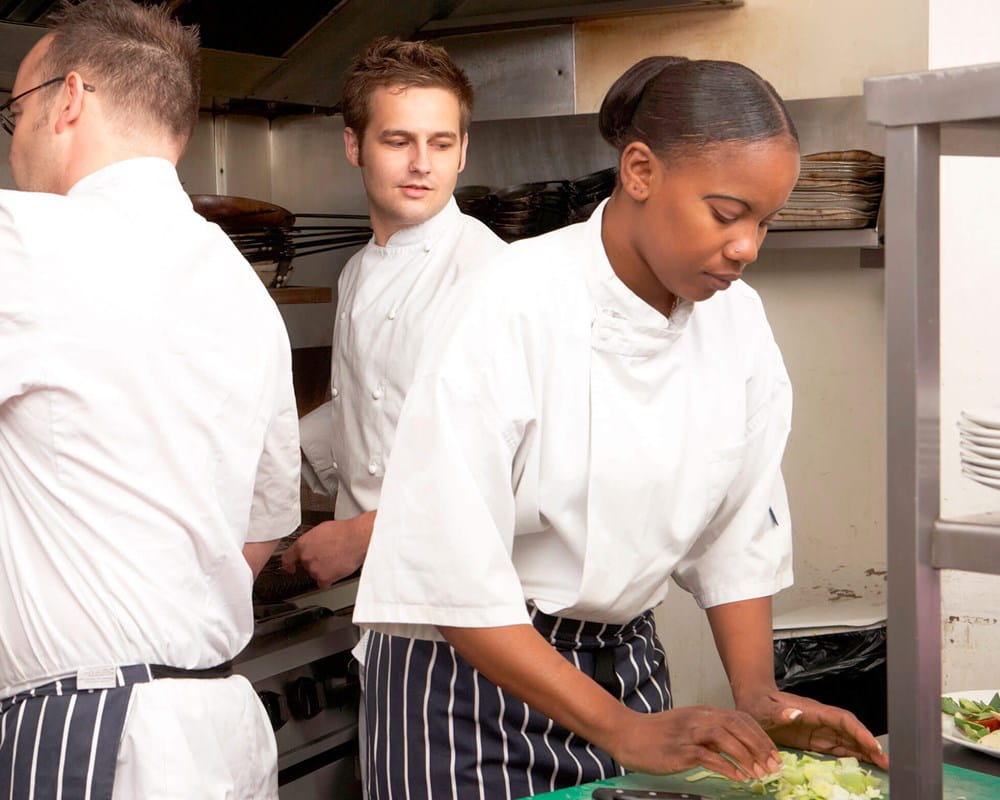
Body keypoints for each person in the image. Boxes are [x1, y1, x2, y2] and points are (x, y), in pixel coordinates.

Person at [352, 55, 890, 798]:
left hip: (627, 669)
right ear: (639, 170)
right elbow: (449, 574)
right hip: (467, 692)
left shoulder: (737, 323)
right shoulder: (509, 300)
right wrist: (619, 729)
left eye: (765, 222)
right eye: (727, 214)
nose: (747, 248)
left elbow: (737, 528)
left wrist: (761, 696)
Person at [0, 2, 299, 799]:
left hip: (95, 729)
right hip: (224, 725)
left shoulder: (24, 242)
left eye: (12, 113)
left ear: (67, 100)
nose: (15, 141)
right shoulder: (245, 292)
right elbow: (260, 534)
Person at [283, 37, 505, 587]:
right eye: (398, 140)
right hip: (384, 594)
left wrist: (359, 537)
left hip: (464, 596)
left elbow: (506, 469)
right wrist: (271, 456)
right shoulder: (357, 271)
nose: (421, 164)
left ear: (463, 151)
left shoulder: (493, 277)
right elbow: (373, 402)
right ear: (353, 145)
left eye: (441, 143)